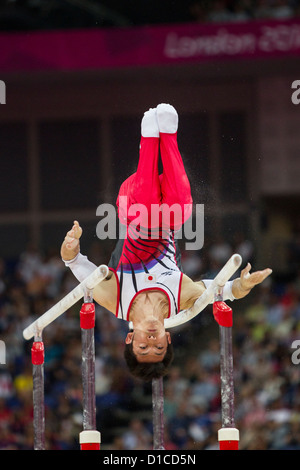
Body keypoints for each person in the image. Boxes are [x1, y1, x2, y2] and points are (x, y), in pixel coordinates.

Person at [60, 103, 272, 381]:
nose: (151, 339)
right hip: (168, 214)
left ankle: (148, 142)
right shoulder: (180, 300)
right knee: (182, 207)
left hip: (132, 203)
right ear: (168, 339)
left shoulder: (114, 300)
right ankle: (167, 136)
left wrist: (71, 245)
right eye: (158, 346)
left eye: (143, 346)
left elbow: (74, 262)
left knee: (147, 209)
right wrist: (243, 284)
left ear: (129, 338)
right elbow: (218, 291)